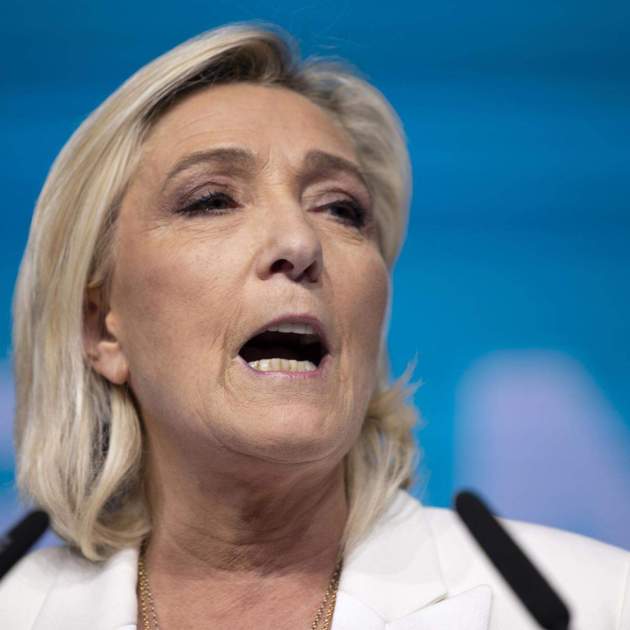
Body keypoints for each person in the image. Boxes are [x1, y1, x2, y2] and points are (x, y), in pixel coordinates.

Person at [0, 23, 628, 630]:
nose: (300, 242)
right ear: (100, 330)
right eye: (213, 200)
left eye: (340, 209)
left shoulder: (599, 606)